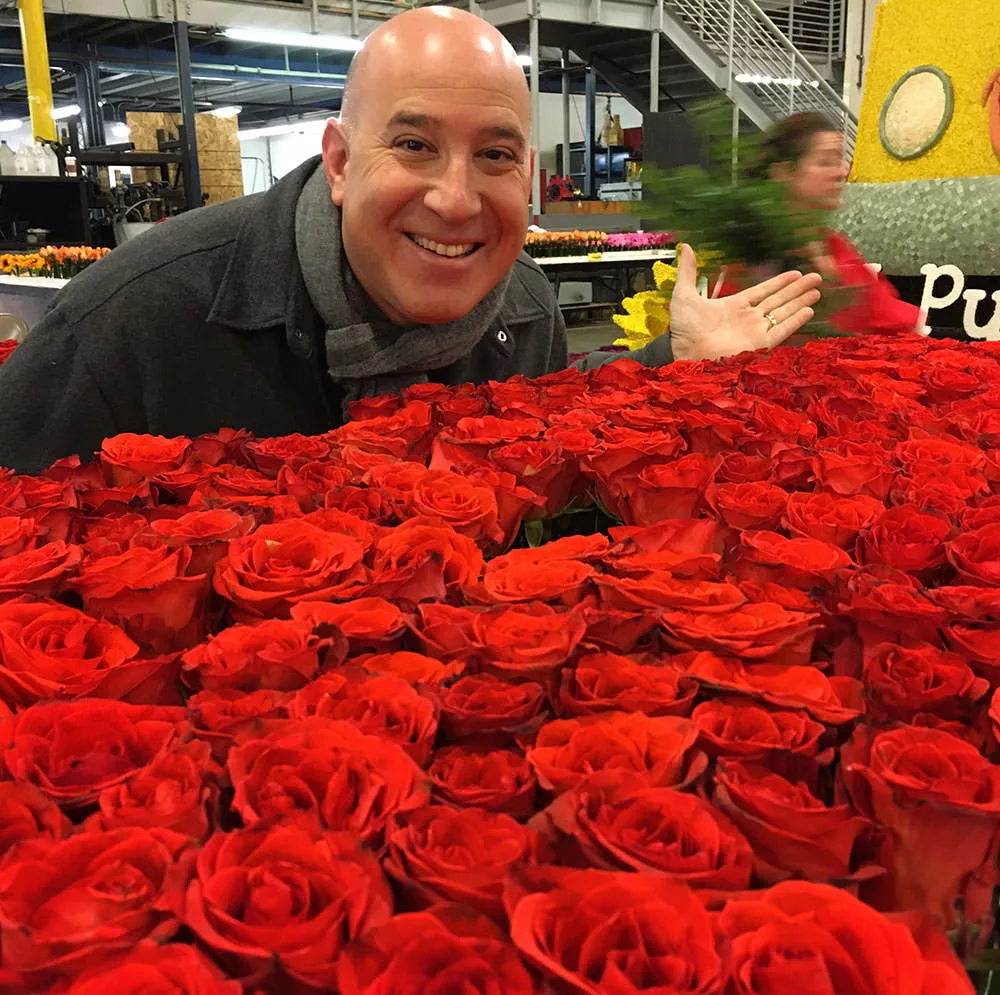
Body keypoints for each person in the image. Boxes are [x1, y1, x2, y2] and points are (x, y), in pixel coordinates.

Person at [0, 7, 821, 475]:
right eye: (416, 145)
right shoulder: (134, 323)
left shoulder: (524, 311)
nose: (456, 199)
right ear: (340, 162)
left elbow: (544, 429)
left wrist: (672, 366)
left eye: (495, 155)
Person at [739, 112, 925, 336]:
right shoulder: (749, 254)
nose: (841, 172)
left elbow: (897, 321)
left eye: (840, 161)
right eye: (825, 162)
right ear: (783, 172)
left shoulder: (835, 246)